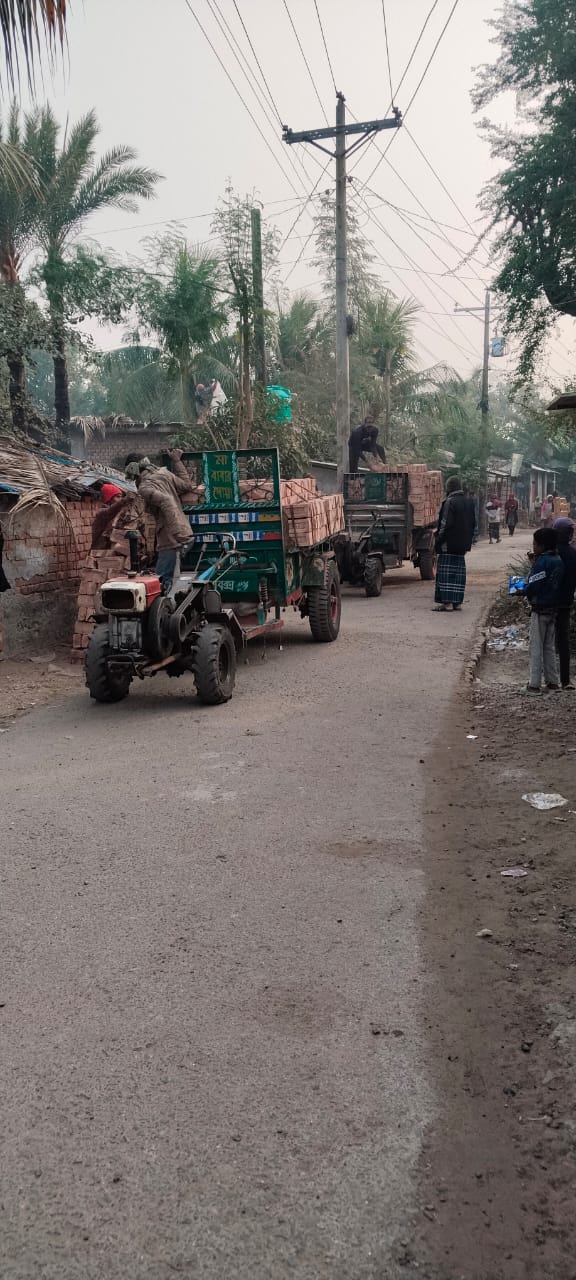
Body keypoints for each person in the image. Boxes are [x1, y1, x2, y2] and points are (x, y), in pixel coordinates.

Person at [125, 449, 193, 593]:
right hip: (184, 533)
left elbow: (166, 501)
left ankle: (161, 613)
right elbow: (187, 486)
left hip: (171, 539)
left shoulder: (145, 488)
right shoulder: (164, 474)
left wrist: (179, 534)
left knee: (160, 583)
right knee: (173, 580)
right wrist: (177, 461)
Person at [525, 527, 563, 692]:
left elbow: (533, 585)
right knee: (549, 646)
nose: (533, 547)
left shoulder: (542, 562)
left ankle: (534, 683)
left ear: (541, 545)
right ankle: (553, 681)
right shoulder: (558, 560)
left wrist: (521, 590)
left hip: (539, 609)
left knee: (536, 646)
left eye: (534, 544)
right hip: (553, 608)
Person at [433, 475, 475, 612]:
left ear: (449, 488)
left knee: (445, 573)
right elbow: (473, 524)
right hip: (463, 545)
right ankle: (457, 602)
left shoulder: (449, 502)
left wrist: (438, 539)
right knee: (458, 574)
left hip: (448, 544)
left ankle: (447, 603)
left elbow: (445, 524)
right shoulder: (469, 503)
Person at [553, 517, 576, 689]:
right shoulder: (574, 553)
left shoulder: (550, 553)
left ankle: (547, 678)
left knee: (545, 641)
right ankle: (566, 679)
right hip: (566, 602)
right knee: (564, 640)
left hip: (547, 604)